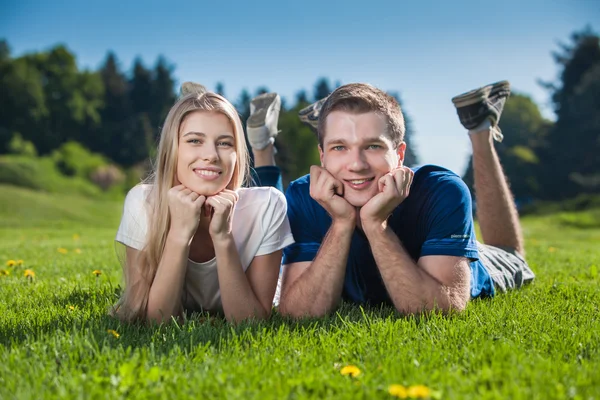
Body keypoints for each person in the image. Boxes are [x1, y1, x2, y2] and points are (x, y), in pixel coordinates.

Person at [252, 81, 535, 318]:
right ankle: (351, 127)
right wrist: (341, 222)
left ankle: (479, 128)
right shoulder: (305, 195)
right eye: (340, 147)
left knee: (512, 255)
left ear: (399, 155)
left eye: (372, 146)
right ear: (322, 156)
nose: (357, 164)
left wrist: (375, 225)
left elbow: (438, 309)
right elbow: (299, 314)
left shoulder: (440, 190)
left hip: (452, 259)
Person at [112, 82, 294, 324]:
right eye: (195, 141)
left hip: (256, 205)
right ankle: (203, 106)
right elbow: (155, 322)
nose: (211, 154)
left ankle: (261, 146)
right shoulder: (143, 202)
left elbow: (249, 323)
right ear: (172, 150)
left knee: (266, 188)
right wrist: (178, 234)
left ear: (238, 154)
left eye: (225, 143)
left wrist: (223, 236)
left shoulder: (268, 203)